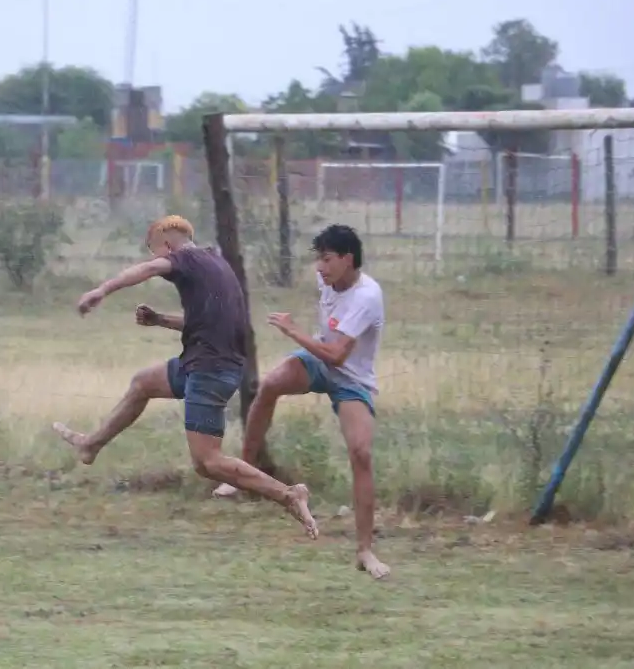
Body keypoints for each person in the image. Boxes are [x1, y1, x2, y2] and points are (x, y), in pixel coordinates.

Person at [52, 215, 318, 538]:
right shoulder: (213, 263)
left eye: (156, 252)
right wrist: (160, 320)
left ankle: (289, 494)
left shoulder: (186, 258)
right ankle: (91, 444)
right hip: (206, 363)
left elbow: (148, 270)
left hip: (209, 370)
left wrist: (102, 290)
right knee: (143, 383)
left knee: (207, 462)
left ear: (166, 244)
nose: (157, 260)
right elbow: (205, 321)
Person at [212, 224, 390, 579]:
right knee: (268, 387)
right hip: (318, 362)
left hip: (351, 379)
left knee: (361, 454)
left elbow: (339, 356)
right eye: (317, 259)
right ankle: (242, 474)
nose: (319, 268)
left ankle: (365, 552)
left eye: (326, 259)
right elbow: (327, 346)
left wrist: (293, 331)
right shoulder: (328, 281)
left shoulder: (367, 296)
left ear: (347, 259)